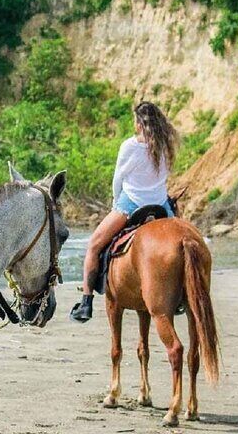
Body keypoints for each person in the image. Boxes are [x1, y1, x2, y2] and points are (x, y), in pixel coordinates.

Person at [70, 101, 179, 323]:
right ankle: (182, 295)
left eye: (134, 121)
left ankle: (86, 302)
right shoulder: (167, 144)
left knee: (94, 245)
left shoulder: (130, 146)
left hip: (131, 205)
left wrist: (115, 203)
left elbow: (118, 179)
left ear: (139, 123)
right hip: (161, 206)